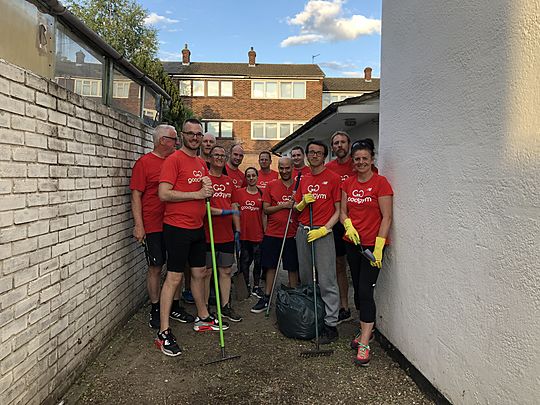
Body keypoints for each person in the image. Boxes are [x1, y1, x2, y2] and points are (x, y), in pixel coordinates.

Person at [155, 118, 216, 356]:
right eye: (190, 133)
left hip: (197, 227)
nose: (194, 137)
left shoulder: (201, 162)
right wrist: (197, 193)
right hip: (177, 227)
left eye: (198, 134)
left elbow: (201, 193)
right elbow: (163, 194)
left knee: (199, 273)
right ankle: (163, 332)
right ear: (182, 135)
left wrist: (206, 193)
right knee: (174, 278)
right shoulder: (173, 160)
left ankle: (203, 316)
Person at [340, 139, 393, 366]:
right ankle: (366, 332)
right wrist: (348, 225)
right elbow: (342, 212)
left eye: (365, 158)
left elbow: (387, 217)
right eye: (357, 159)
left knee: (365, 291)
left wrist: (379, 247)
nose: (361, 162)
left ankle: (364, 343)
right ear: (353, 162)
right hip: (353, 244)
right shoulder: (348, 184)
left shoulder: (381, 183)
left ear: (372, 160)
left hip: (373, 248)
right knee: (358, 292)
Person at [130, 124, 189, 330]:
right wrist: (139, 225)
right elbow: (136, 194)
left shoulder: (176, 162)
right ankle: (155, 308)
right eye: (174, 139)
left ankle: (174, 304)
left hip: (175, 223)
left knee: (177, 267)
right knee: (155, 266)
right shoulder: (144, 163)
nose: (177, 142)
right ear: (162, 140)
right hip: (153, 224)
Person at [294, 141, 341, 344]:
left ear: (324, 156)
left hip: (322, 232)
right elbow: (296, 208)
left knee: (326, 279)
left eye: (318, 153)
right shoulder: (303, 178)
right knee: (306, 276)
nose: (314, 156)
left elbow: (339, 211)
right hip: (303, 231)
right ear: (307, 155)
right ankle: (312, 317)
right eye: (311, 152)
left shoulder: (334, 178)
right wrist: (303, 203)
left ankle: (331, 324)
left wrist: (324, 229)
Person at [251, 157, 299, 313]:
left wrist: (296, 205)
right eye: (281, 168)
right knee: (270, 266)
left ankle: (293, 297)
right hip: (273, 233)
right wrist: (284, 206)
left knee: (292, 267)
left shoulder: (299, 186)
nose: (284, 171)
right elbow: (266, 209)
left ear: (292, 167)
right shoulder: (271, 185)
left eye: (287, 168)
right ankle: (266, 297)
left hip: (292, 234)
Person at [204, 145, 243, 322]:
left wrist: (238, 230)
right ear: (210, 158)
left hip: (227, 235)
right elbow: (203, 208)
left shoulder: (228, 182)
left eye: (222, 155)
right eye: (216, 155)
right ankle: (205, 308)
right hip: (208, 234)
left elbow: (234, 205)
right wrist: (222, 212)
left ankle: (225, 306)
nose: (219, 158)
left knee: (225, 271)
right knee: (206, 272)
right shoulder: (205, 180)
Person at [325, 131, 356, 324]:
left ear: (349, 144)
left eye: (343, 142)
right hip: (337, 223)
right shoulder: (329, 167)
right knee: (339, 265)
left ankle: (362, 308)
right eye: (336, 143)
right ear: (332, 147)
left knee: (357, 266)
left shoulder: (359, 163)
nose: (339, 145)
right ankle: (344, 306)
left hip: (358, 223)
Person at [234, 167, 266, 297]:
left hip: (258, 234)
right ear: (245, 178)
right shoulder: (239, 193)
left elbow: (264, 215)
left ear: (257, 177)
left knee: (258, 262)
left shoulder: (262, 193)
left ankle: (256, 286)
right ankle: (245, 284)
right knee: (244, 262)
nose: (251, 178)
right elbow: (235, 212)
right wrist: (237, 230)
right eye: (248, 176)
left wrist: (266, 232)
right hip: (244, 235)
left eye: (253, 175)